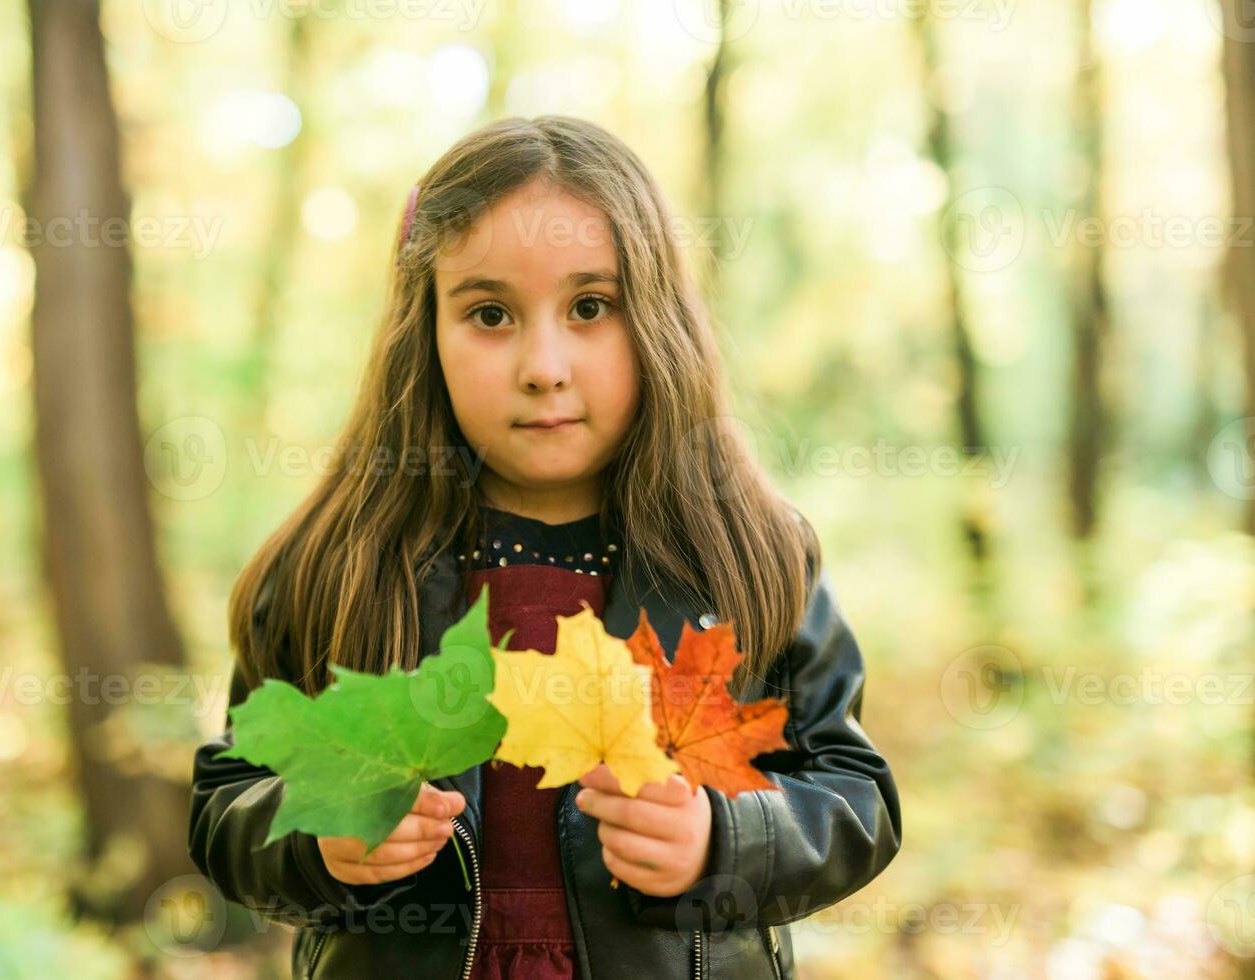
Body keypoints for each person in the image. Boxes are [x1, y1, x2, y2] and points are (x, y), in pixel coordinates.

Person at [188, 115, 901, 979]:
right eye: (490, 314)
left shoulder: (748, 555)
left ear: (657, 323)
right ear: (427, 333)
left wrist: (724, 841)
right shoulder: (338, 566)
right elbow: (228, 801)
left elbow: (856, 796)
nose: (544, 364)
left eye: (590, 308)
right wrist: (315, 840)